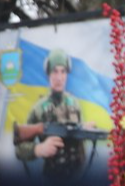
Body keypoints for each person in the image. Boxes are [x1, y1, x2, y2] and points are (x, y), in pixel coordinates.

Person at [11, 48, 88, 177]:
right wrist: (38, 149)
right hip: (52, 179)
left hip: (77, 178)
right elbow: (19, 150)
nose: (59, 77)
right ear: (48, 74)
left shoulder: (74, 104)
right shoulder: (38, 109)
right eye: (55, 72)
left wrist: (84, 131)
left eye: (63, 72)